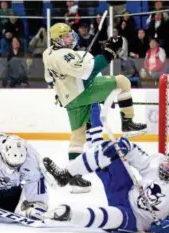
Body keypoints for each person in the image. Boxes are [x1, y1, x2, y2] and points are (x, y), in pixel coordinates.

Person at [40, 104, 169, 233]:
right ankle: (66, 174)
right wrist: (126, 146)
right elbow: (136, 155)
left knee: (115, 218)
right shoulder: (155, 163)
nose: (168, 165)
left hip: (135, 219)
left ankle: (70, 215)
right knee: (111, 151)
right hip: (124, 190)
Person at [42, 23, 147, 193]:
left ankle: (74, 179)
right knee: (122, 81)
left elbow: (49, 78)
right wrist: (109, 53)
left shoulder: (48, 53)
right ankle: (127, 121)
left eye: (70, 34)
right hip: (82, 92)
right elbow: (88, 72)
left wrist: (60, 92)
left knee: (77, 137)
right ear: (58, 40)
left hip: (69, 99)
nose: (71, 38)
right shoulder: (64, 55)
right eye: (66, 36)